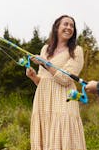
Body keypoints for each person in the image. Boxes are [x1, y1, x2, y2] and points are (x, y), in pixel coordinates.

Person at [25, 15, 86, 150]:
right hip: (44, 98)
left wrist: (46, 63)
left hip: (65, 98)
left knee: (64, 133)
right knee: (46, 133)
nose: (69, 28)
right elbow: (42, 80)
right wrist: (33, 77)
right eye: (66, 24)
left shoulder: (77, 51)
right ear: (57, 27)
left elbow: (66, 79)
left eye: (72, 26)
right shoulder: (45, 49)